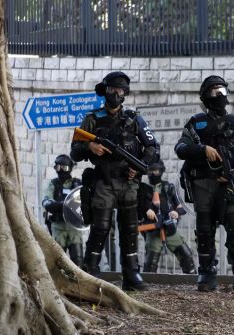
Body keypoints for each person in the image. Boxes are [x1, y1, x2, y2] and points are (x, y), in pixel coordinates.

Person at [70, 71, 160, 291]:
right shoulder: (92, 119)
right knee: (100, 227)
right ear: (105, 91)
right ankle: (90, 272)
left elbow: (152, 148)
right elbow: (74, 151)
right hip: (103, 182)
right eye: (112, 90)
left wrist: (137, 167)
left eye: (121, 91)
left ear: (125, 94)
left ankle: (131, 274)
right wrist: (89, 146)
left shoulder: (134, 120)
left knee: (130, 228)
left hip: (129, 183)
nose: (116, 94)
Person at [174, 75, 234, 293]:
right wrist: (202, 150)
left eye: (223, 92)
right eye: (214, 92)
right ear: (205, 97)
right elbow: (181, 148)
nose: (220, 97)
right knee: (204, 229)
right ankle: (206, 273)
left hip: (229, 184)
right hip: (203, 184)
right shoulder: (196, 123)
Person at [138, 160, 196, 274]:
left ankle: (192, 279)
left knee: (186, 256)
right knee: (151, 262)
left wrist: (176, 213)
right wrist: (147, 210)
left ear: (161, 171)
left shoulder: (169, 187)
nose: (154, 173)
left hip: (169, 228)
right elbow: (140, 207)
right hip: (154, 230)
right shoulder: (143, 189)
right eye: (152, 170)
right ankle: (148, 286)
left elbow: (180, 206)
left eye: (156, 170)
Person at [42, 154, 83, 267]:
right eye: (58, 167)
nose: (61, 171)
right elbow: (46, 201)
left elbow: (83, 202)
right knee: (58, 261)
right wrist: (62, 205)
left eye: (64, 168)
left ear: (70, 168)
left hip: (73, 227)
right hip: (58, 226)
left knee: (77, 260)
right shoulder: (53, 184)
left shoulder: (77, 184)